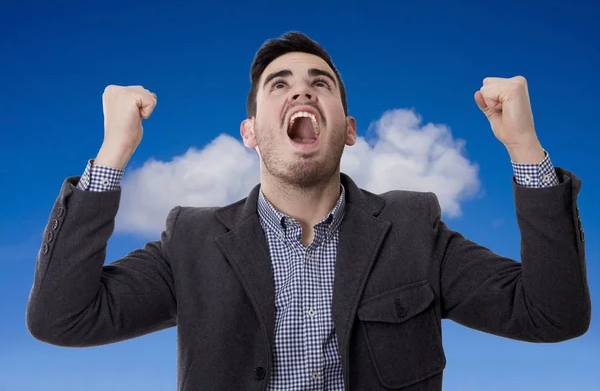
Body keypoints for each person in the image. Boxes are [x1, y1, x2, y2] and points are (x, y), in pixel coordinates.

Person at [26, 31, 591, 390]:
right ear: (250, 133)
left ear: (347, 130)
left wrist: (524, 148)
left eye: (319, 83)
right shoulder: (191, 241)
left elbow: (553, 314)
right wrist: (112, 154)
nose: (301, 93)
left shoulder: (414, 229)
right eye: (279, 85)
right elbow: (61, 318)